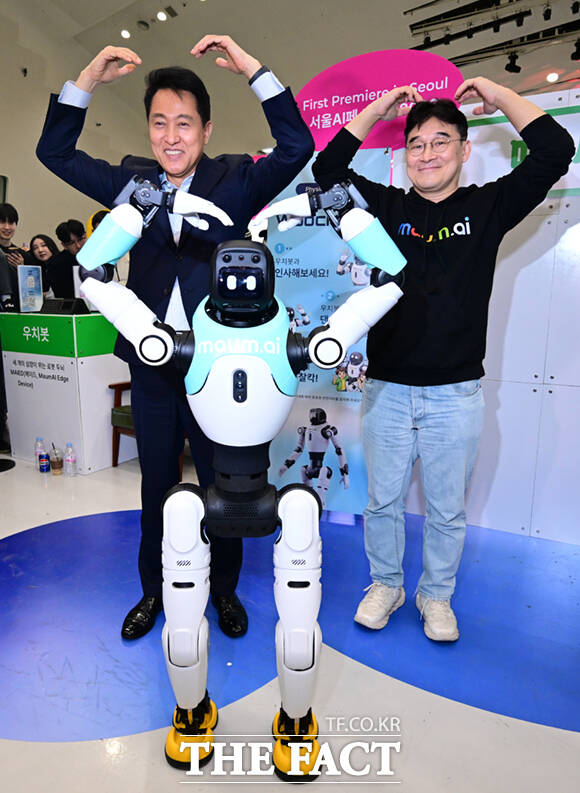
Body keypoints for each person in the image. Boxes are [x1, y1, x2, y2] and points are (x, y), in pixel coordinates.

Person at [37, 36, 314, 641]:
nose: (170, 137)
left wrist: (252, 69)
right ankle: (154, 590)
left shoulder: (236, 179)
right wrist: (87, 78)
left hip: (220, 368)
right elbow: (53, 151)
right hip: (154, 364)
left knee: (225, 487)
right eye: (159, 123)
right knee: (157, 485)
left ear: (206, 130)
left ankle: (224, 590)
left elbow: (298, 145)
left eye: (184, 123)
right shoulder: (132, 182)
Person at [312, 77, 574, 642]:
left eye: (440, 141)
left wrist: (499, 95)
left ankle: (435, 596)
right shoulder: (385, 207)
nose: (427, 153)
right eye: (416, 144)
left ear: (463, 149)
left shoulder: (488, 206)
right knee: (382, 503)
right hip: (387, 388)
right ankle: (386, 585)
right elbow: (327, 170)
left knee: (447, 509)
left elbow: (556, 150)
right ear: (404, 154)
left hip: (456, 393)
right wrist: (377, 107)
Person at [0, 203, 31, 311]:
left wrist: (22, 269)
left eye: (11, 223)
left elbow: (32, 288)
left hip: (18, 308)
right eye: (2, 222)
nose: (7, 227)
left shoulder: (23, 254)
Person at [47, 219, 86, 298]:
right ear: (64, 245)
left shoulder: (98, 256)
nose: (78, 246)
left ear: (86, 235)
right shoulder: (56, 264)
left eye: (80, 239)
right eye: (72, 243)